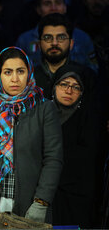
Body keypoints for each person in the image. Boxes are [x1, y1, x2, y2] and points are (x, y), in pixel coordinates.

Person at [0, 47, 63, 224]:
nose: (15, 79)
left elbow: (53, 158)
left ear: (29, 72)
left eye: (20, 71)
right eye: (8, 72)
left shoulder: (44, 108)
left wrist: (41, 201)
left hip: (30, 202)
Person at [51, 66, 99, 228]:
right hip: (42, 197)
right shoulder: (40, 116)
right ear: (54, 87)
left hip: (75, 200)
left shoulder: (89, 121)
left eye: (76, 87)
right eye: (64, 84)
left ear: (82, 92)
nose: (69, 90)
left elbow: (86, 161)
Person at [16, 0, 98, 72]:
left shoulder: (82, 38)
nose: (53, 8)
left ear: (65, 7)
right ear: (38, 9)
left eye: (58, 3)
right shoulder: (24, 40)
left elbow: (93, 70)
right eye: (47, 4)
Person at [35, 13, 98, 100]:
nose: (54, 43)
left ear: (71, 43)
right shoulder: (29, 79)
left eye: (61, 37)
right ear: (39, 44)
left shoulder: (86, 76)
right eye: (48, 37)